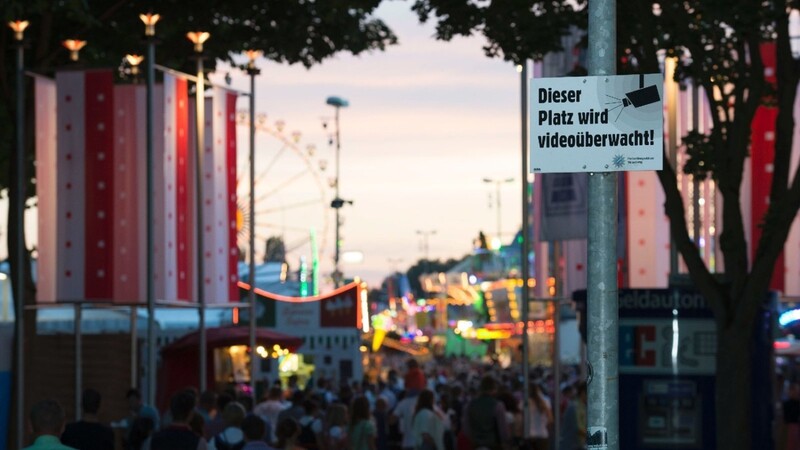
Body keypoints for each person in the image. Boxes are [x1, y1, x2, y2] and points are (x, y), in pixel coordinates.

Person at [462, 375, 509, 450]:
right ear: (493, 389)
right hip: (493, 445)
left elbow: (466, 429)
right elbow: (503, 432)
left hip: (476, 445)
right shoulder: (498, 405)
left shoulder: (469, 405)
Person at [525, 384, 553, 450]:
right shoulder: (546, 401)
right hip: (543, 434)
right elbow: (550, 419)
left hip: (530, 435)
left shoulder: (526, 402)